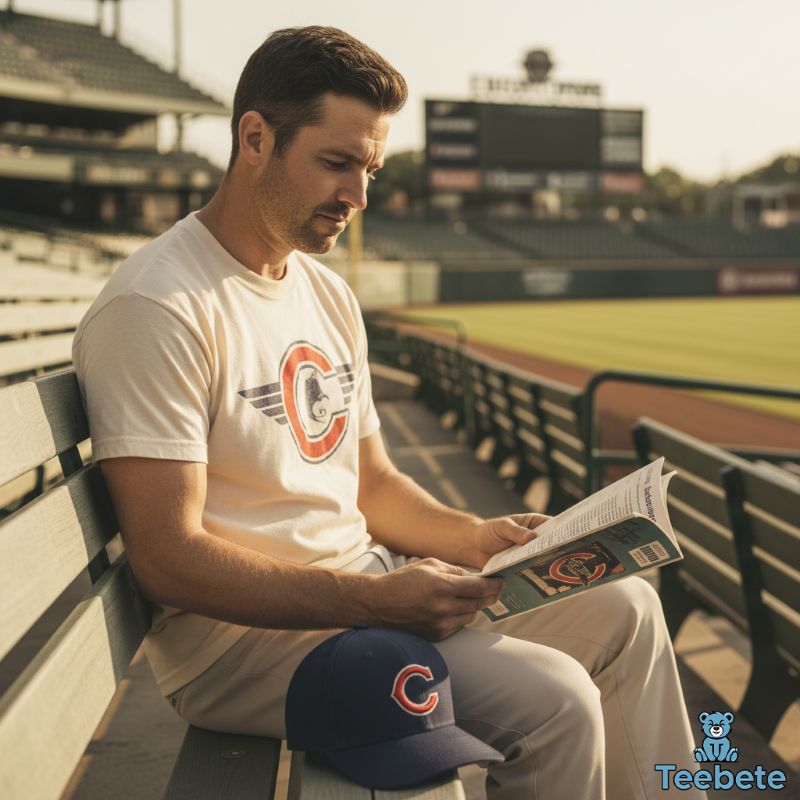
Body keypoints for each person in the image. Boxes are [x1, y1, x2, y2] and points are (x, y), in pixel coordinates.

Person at [72, 26, 705, 800]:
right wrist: (372, 599)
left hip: (359, 593)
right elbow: (168, 556)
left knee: (629, 608)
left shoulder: (325, 291)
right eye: (336, 163)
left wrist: (480, 540)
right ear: (255, 139)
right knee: (556, 701)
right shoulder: (156, 303)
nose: (359, 196)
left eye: (369, 168)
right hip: (240, 645)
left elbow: (371, 484)